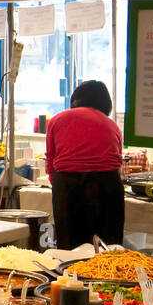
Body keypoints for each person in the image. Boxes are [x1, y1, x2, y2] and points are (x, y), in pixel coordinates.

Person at [45, 80, 124, 249]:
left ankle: (69, 275)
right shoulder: (112, 125)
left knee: (70, 245)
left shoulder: (57, 119)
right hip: (108, 185)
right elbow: (117, 162)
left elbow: (50, 159)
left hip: (68, 183)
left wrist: (58, 185)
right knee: (109, 246)